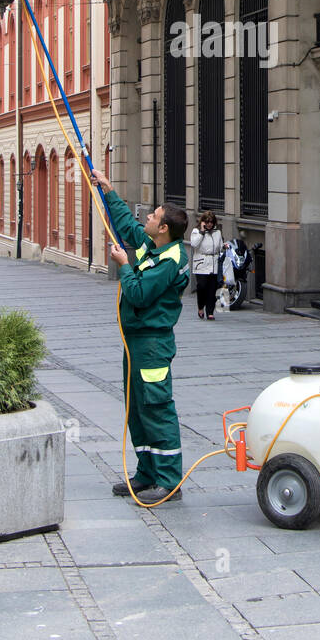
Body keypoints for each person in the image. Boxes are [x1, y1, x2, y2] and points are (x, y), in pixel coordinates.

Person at [90, 168, 190, 505]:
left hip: (152, 344)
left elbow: (139, 295)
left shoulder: (169, 260)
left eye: (154, 215)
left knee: (157, 408)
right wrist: (109, 191)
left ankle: (169, 480)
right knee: (138, 409)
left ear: (163, 228)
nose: (147, 217)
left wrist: (124, 264)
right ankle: (147, 472)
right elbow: (128, 227)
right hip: (136, 342)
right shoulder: (158, 245)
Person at [190, 211, 224, 321]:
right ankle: (201, 307)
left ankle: (210, 312)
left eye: (211, 222)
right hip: (201, 263)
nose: (209, 224)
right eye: (207, 222)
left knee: (212, 289)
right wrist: (202, 232)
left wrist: (224, 246)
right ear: (203, 222)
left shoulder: (217, 232)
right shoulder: (196, 232)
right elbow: (194, 244)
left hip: (213, 264)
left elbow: (220, 246)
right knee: (202, 287)